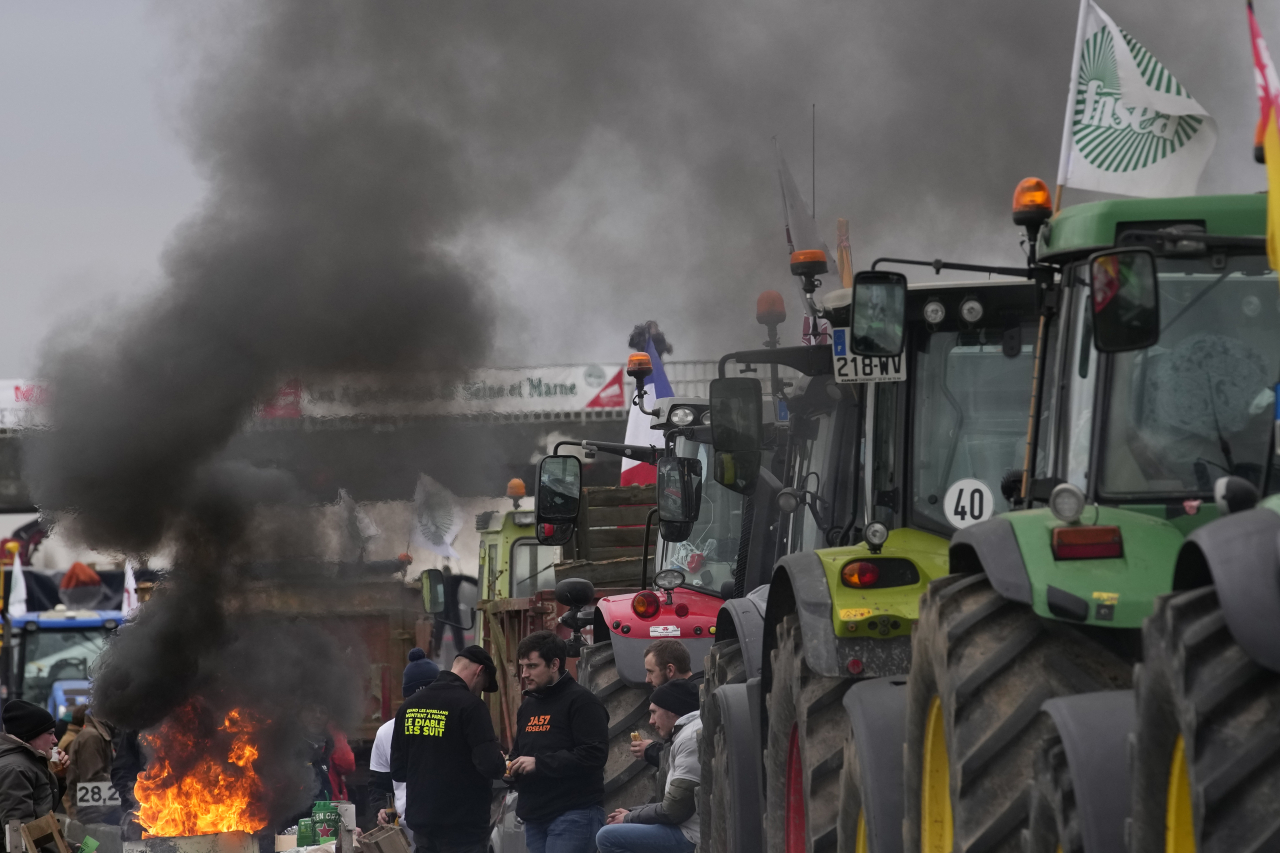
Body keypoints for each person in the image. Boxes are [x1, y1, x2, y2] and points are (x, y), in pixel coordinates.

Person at [391, 646, 504, 853]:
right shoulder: (471, 706)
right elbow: (490, 765)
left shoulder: (408, 707)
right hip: (463, 830)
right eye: (482, 686)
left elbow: (398, 770)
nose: (479, 692)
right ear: (479, 672)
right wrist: (501, 761)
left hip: (423, 829)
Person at [507, 631, 608, 853]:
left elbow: (594, 754)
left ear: (554, 664)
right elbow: (520, 751)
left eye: (532, 666)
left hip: (573, 814)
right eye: (523, 666)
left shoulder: (582, 702)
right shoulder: (528, 706)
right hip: (535, 816)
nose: (525, 673)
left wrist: (538, 763)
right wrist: (510, 765)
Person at [596, 680, 702, 853]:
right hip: (686, 827)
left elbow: (674, 810)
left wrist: (629, 818)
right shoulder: (686, 734)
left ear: (671, 709)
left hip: (691, 835)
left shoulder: (690, 739)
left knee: (607, 837)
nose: (651, 721)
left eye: (654, 712)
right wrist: (632, 812)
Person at [371, 648, 440, 845]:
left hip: (447, 831)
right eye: (416, 698)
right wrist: (381, 809)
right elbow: (379, 783)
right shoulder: (386, 733)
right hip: (405, 835)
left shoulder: (451, 725)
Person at [0, 700, 66, 828]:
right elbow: (19, 837)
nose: (55, 740)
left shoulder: (25, 764)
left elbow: (40, 820)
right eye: (50, 733)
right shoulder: (16, 769)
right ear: (32, 734)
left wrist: (58, 778)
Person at [630, 640, 694, 768]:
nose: (647, 679)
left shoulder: (695, 699)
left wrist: (652, 751)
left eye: (651, 672)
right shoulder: (693, 693)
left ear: (670, 670)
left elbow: (686, 755)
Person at [67, 711, 121, 824]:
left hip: (96, 810)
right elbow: (93, 780)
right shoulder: (92, 737)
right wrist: (126, 785)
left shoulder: (96, 735)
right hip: (92, 813)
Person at [430, 567, 467, 657]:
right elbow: (466, 580)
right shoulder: (454, 580)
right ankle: (461, 650)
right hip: (452, 610)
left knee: (438, 631)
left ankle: (436, 649)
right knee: (457, 631)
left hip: (441, 610)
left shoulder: (439, 581)